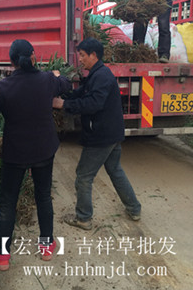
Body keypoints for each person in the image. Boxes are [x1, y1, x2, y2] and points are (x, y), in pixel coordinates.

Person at [0, 39, 71, 270]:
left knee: (8, 203)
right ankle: (47, 248)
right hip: (44, 150)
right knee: (43, 197)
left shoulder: (3, 88)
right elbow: (67, 85)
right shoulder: (47, 80)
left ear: (11, 62)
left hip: (15, 154)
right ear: (34, 57)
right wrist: (56, 75)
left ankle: (2, 256)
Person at [53, 38, 141, 230]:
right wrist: (62, 90)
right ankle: (134, 208)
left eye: (83, 56)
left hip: (101, 135)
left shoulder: (101, 76)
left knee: (83, 176)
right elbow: (81, 93)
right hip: (111, 133)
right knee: (115, 170)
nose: (81, 59)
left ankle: (83, 218)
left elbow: (93, 104)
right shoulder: (97, 74)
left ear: (94, 55)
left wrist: (64, 105)